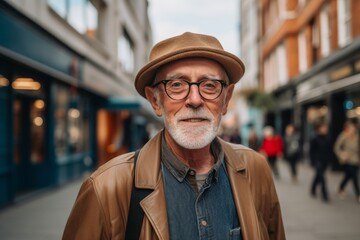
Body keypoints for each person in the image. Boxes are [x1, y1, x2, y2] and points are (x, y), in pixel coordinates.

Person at [62, 32, 285, 240]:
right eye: (177, 85)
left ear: (226, 99)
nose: (195, 100)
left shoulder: (255, 169)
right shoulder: (106, 187)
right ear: (155, 101)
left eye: (210, 85)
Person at [334, 120, 360, 203]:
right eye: (351, 127)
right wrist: (341, 154)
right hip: (347, 160)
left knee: (348, 176)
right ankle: (358, 195)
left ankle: (341, 188)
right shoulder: (343, 136)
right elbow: (336, 147)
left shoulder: (357, 137)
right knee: (355, 177)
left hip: (356, 160)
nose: (353, 129)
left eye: (354, 127)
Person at [309, 121, 331, 202]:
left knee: (318, 176)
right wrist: (312, 161)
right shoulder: (314, 138)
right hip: (317, 160)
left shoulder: (328, 138)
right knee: (322, 178)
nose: (325, 130)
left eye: (326, 128)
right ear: (319, 129)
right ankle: (324, 194)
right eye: (323, 128)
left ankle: (313, 188)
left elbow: (329, 150)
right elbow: (311, 151)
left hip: (325, 161)